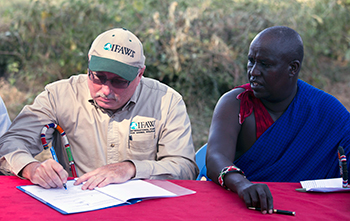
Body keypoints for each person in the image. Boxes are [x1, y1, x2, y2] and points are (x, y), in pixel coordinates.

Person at [0, 28, 198, 190]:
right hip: (77, 204)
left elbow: (185, 167)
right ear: (88, 64)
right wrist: (31, 168)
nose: (106, 90)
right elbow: (11, 143)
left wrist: (131, 169)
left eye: (119, 81)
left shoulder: (166, 101)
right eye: (98, 77)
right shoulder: (59, 95)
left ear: (140, 74)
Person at [206, 26, 350, 214]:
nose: (254, 72)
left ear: (293, 68)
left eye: (265, 64)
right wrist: (242, 184)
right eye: (251, 61)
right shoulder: (236, 103)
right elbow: (215, 157)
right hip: (241, 206)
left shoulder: (326, 111)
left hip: (305, 212)